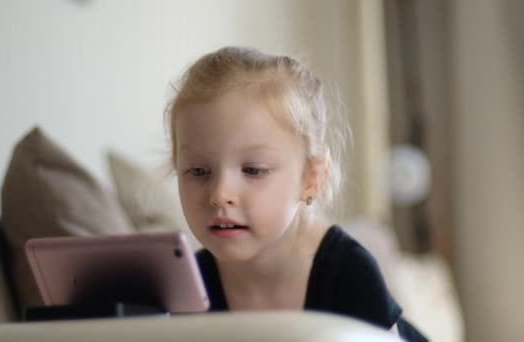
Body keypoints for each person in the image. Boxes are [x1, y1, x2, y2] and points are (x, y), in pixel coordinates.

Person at [164, 46, 426, 342]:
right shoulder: (187, 284)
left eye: (253, 170)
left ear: (311, 179)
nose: (220, 194)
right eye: (198, 171)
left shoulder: (347, 271)